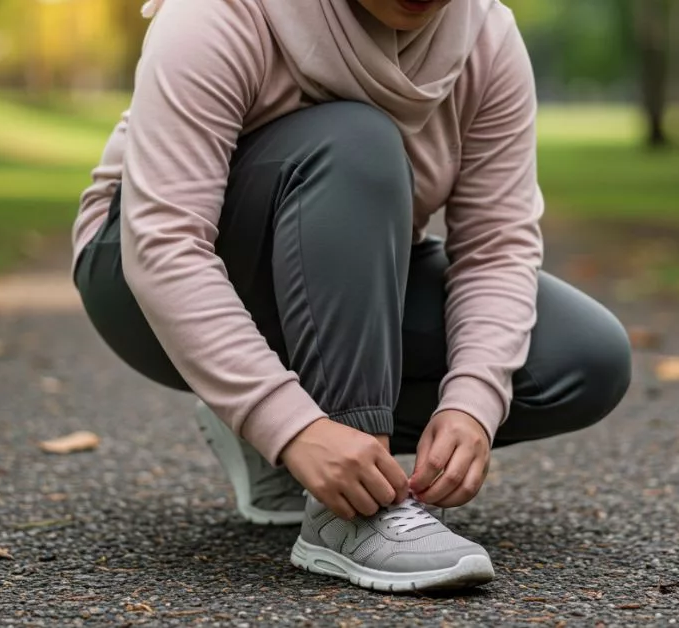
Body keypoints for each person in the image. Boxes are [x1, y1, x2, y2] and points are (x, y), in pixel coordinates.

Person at [72, 0, 632, 592]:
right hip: (136, 275)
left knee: (583, 357)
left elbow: (497, 247)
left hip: (349, 286)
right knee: (356, 137)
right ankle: (353, 516)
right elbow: (165, 244)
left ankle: (296, 451)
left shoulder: (486, 35)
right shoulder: (219, 13)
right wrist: (288, 425)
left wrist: (473, 398)